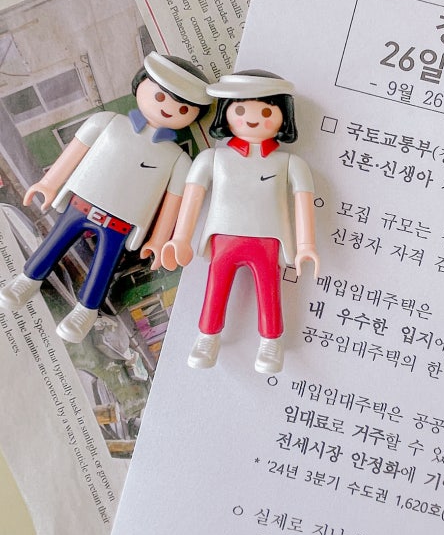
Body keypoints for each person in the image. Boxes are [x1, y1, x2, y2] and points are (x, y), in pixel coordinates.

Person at [0, 53, 211, 343]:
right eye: (160, 96)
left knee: (103, 266)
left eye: (183, 107)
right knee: (53, 243)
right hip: (80, 204)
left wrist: (159, 239)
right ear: (140, 85)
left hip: (120, 225)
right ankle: (28, 279)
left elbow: (172, 204)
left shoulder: (178, 160)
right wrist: (48, 184)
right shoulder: (106, 122)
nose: (167, 108)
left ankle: (86, 310)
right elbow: (74, 153)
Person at [161, 70, 320, 374]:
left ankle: (271, 341)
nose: (253, 119)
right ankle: (207, 336)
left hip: (268, 239)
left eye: (266, 112)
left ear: (283, 116)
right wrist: (181, 238)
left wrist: (306, 245)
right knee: (215, 287)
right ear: (226, 113)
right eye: (241, 110)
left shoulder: (290, 163)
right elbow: (192, 196)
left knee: (269, 290)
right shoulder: (212, 159)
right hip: (224, 237)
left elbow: (304, 202)